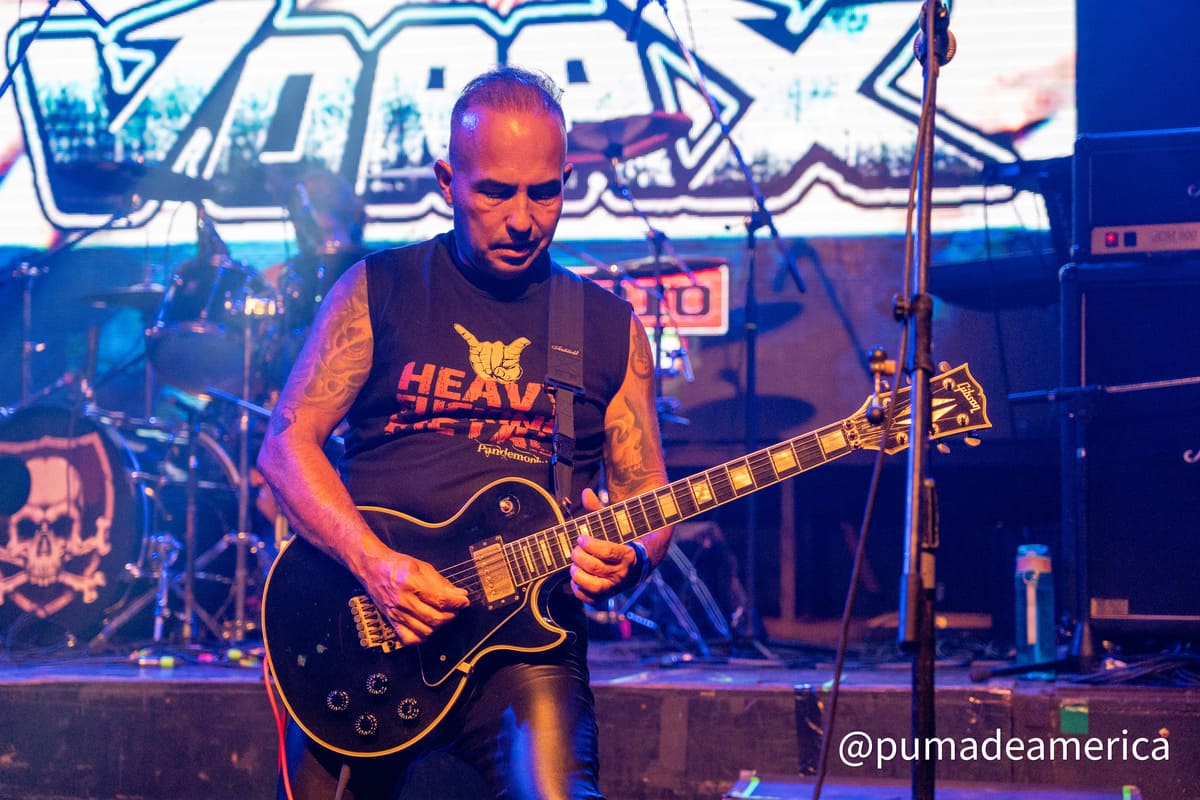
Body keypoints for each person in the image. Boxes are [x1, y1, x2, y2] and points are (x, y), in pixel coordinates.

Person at [256, 65, 673, 800]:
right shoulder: (378, 290)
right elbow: (285, 448)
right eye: (495, 192)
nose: (523, 219)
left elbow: (648, 495)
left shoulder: (608, 327)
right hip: (365, 626)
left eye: (545, 192)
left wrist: (631, 557)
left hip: (527, 648)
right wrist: (376, 567)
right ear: (448, 182)